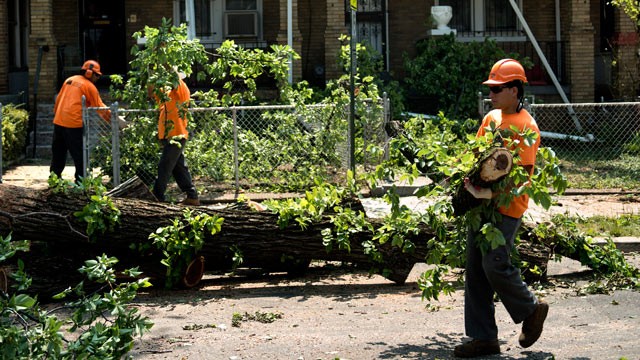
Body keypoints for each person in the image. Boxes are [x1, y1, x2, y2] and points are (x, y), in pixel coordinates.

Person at [454, 58, 548, 358]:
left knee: (494, 263)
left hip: (506, 207)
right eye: (491, 88)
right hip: (481, 205)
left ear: (515, 90)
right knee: (476, 270)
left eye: (497, 88)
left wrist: (489, 194)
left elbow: (522, 176)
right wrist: (467, 185)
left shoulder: (526, 127)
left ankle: (531, 310)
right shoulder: (491, 118)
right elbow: (477, 159)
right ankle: (484, 338)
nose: (492, 93)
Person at [50, 60, 124, 182]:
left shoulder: (69, 80)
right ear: (91, 74)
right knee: (80, 156)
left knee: (58, 154)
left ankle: (54, 180)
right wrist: (115, 121)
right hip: (74, 124)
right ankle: (81, 183)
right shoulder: (89, 86)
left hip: (58, 122)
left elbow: (58, 100)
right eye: (98, 75)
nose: (98, 78)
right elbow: (100, 107)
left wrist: (56, 114)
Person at [149, 70, 199, 206]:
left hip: (177, 134)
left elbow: (173, 76)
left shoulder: (182, 88)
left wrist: (167, 63)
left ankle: (157, 197)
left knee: (164, 166)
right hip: (168, 135)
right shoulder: (165, 91)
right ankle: (192, 196)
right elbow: (152, 94)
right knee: (179, 168)